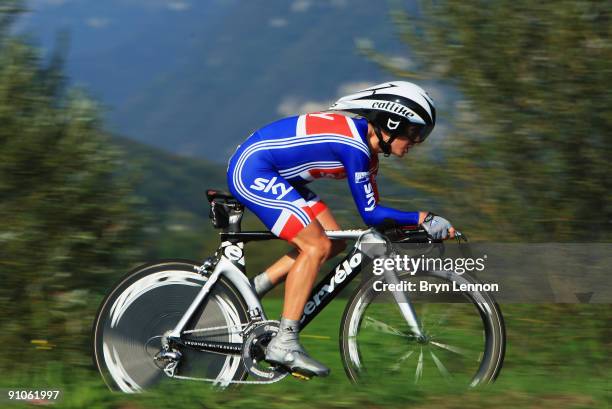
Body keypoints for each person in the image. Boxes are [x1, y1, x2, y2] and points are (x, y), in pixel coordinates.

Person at [226, 81, 455, 378]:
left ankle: (250, 291)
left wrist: (412, 223)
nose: (418, 141)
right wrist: (423, 217)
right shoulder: (355, 147)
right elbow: (371, 214)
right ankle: (284, 343)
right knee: (316, 246)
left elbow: (377, 212)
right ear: (393, 122)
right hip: (254, 168)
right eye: (416, 132)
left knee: (332, 243)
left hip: (282, 177)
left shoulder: (368, 155)